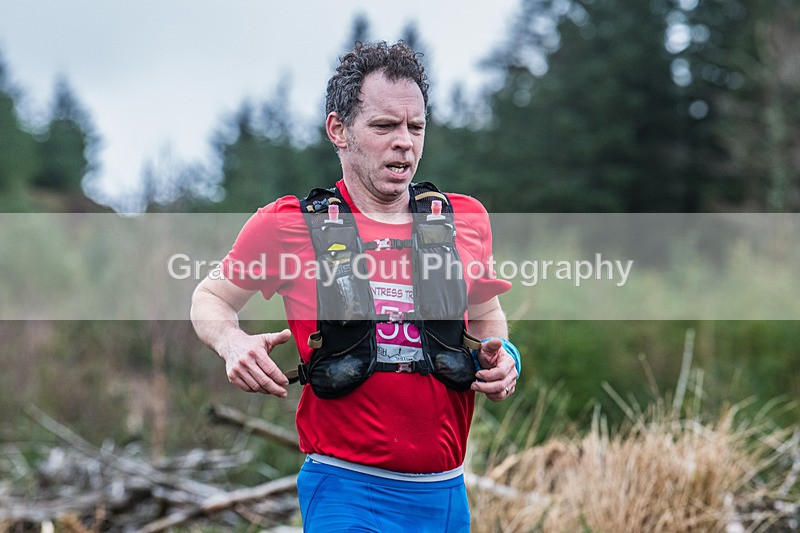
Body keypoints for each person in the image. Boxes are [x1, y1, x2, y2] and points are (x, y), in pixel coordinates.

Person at [191, 40, 521, 532]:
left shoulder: (464, 220)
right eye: (384, 126)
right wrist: (231, 340)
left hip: (447, 494)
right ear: (339, 130)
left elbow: (487, 317)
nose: (404, 142)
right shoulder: (287, 226)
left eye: (416, 127)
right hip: (347, 489)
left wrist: (507, 357)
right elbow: (210, 297)